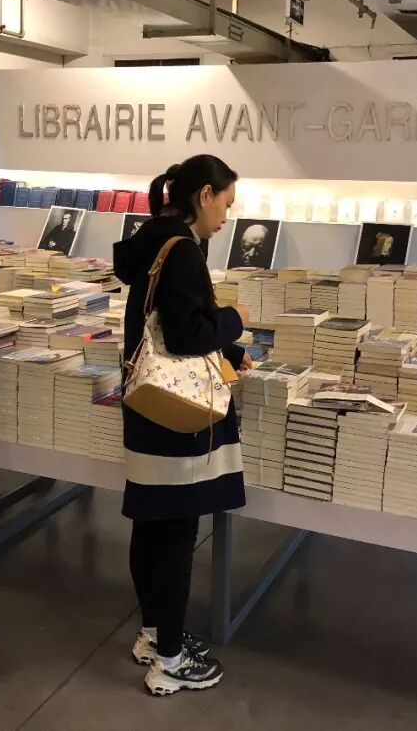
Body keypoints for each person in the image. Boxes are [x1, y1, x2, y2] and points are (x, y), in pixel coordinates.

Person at [114, 154, 251, 696]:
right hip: (179, 417)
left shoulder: (153, 240)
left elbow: (164, 322)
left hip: (148, 405)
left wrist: (225, 347)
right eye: (226, 203)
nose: (226, 216)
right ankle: (169, 660)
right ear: (204, 195)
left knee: (151, 525)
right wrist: (233, 321)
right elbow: (186, 334)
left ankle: (154, 634)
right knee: (176, 534)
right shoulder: (184, 251)